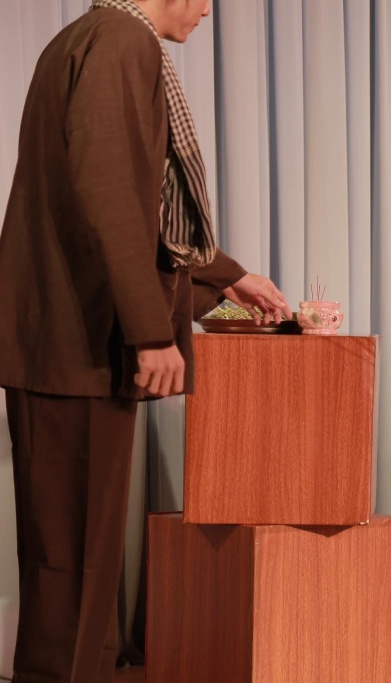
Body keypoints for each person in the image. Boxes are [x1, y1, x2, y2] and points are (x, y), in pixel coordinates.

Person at [0, 2, 291, 681]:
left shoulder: (86, 38)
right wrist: (151, 332)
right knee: (73, 562)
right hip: (79, 340)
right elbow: (111, 197)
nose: (208, 9)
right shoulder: (120, 41)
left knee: (77, 561)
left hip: (67, 336)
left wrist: (229, 276)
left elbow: (136, 205)